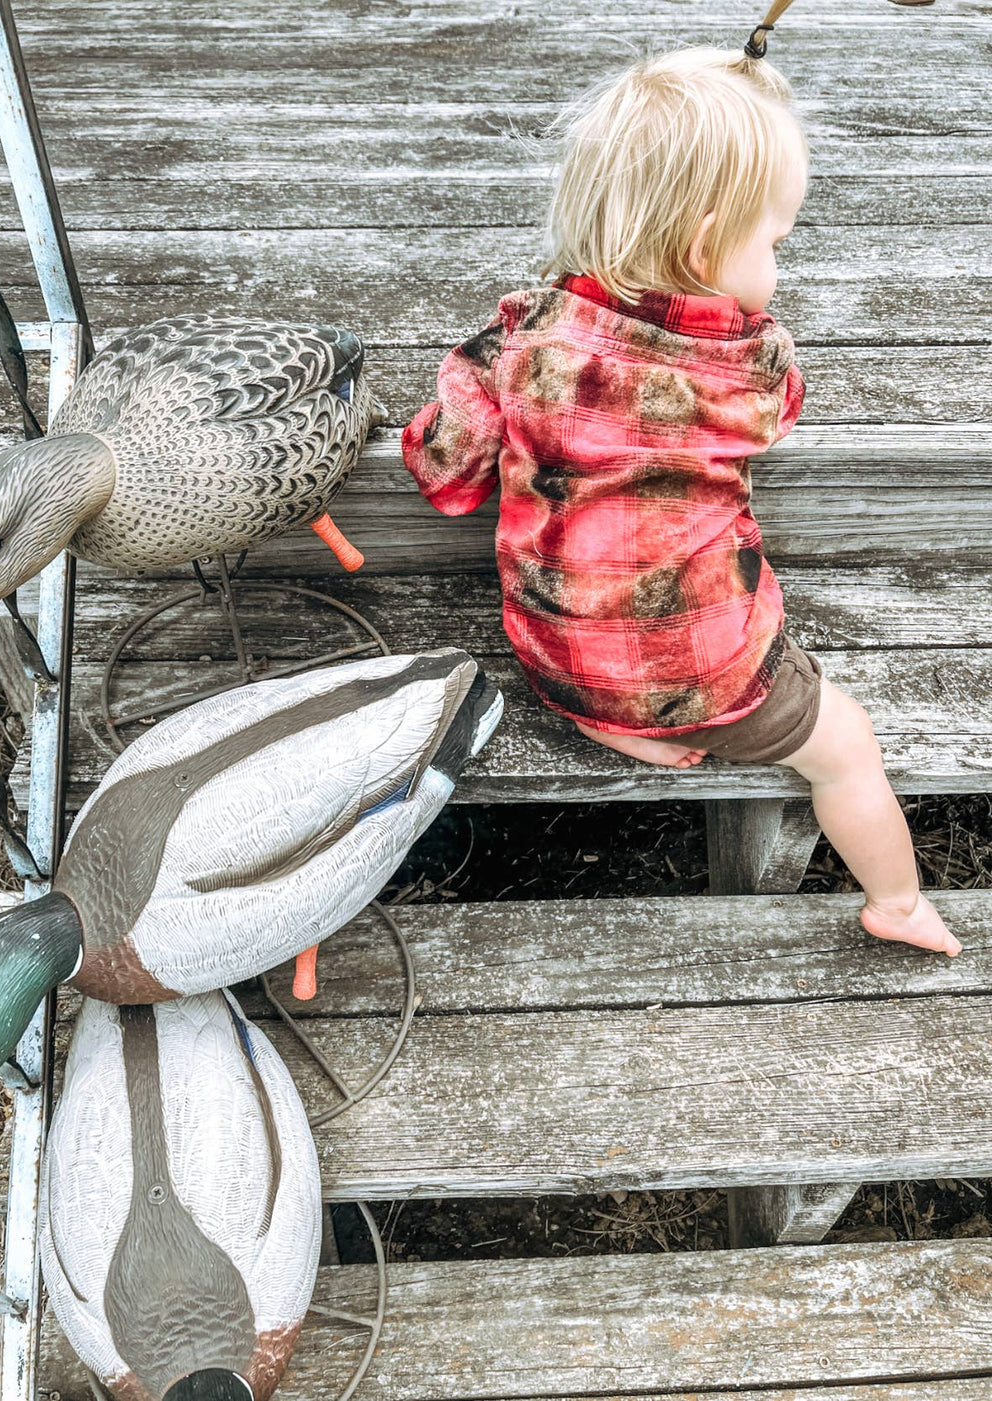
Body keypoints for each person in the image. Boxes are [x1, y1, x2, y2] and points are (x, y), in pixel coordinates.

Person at [401, 47, 958, 956]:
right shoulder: (751, 366)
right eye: (773, 243)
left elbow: (444, 476)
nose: (778, 263)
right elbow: (785, 411)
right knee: (847, 745)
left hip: (552, 654)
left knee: (599, 643)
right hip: (713, 677)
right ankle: (897, 901)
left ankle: (604, 720)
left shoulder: (520, 338)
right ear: (706, 248)